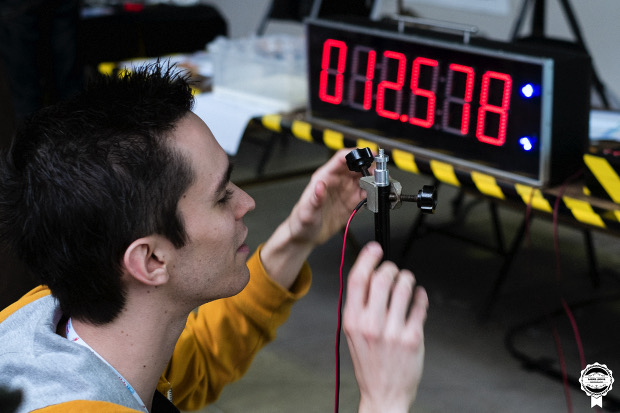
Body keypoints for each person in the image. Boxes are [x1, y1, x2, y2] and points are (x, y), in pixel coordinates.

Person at [0, 62, 428, 413]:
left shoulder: (49, 319)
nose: (247, 203)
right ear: (150, 261)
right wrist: (384, 399)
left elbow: (194, 358)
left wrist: (299, 237)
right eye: (222, 196)